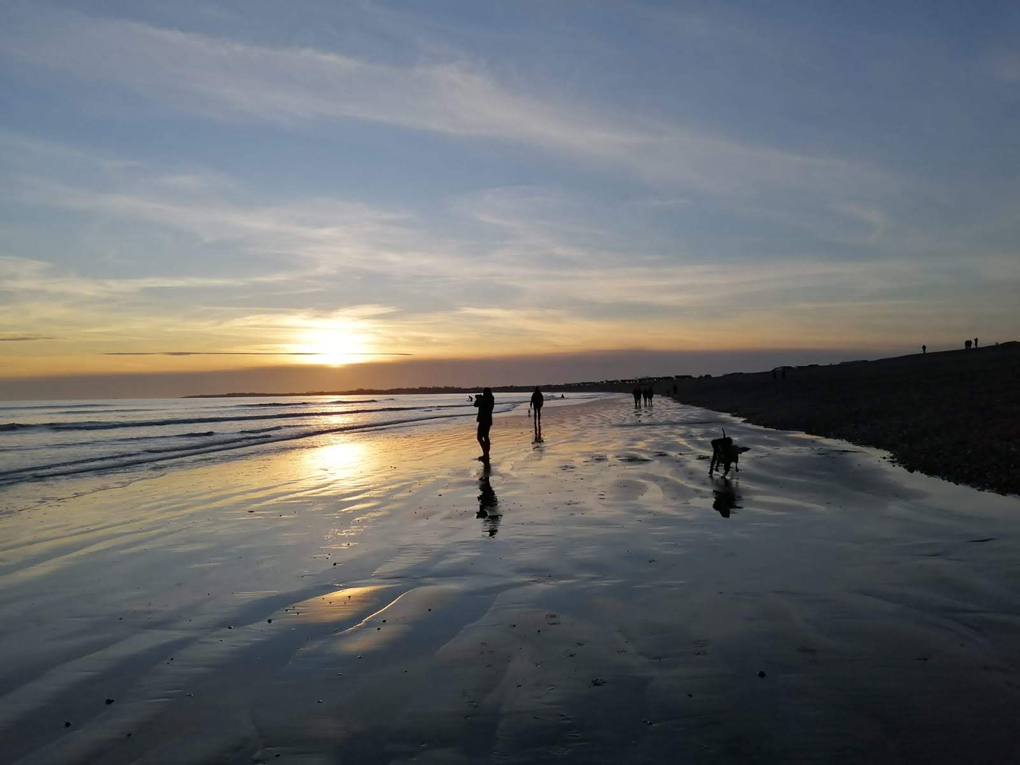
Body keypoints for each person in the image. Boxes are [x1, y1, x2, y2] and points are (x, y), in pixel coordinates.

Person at [473, 387, 495, 462]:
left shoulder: (485, 399)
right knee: (485, 437)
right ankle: (486, 454)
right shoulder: (491, 399)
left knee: (479, 437)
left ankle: (486, 453)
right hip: (488, 420)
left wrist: (479, 398)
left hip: (483, 420)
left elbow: (475, 405)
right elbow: (476, 405)